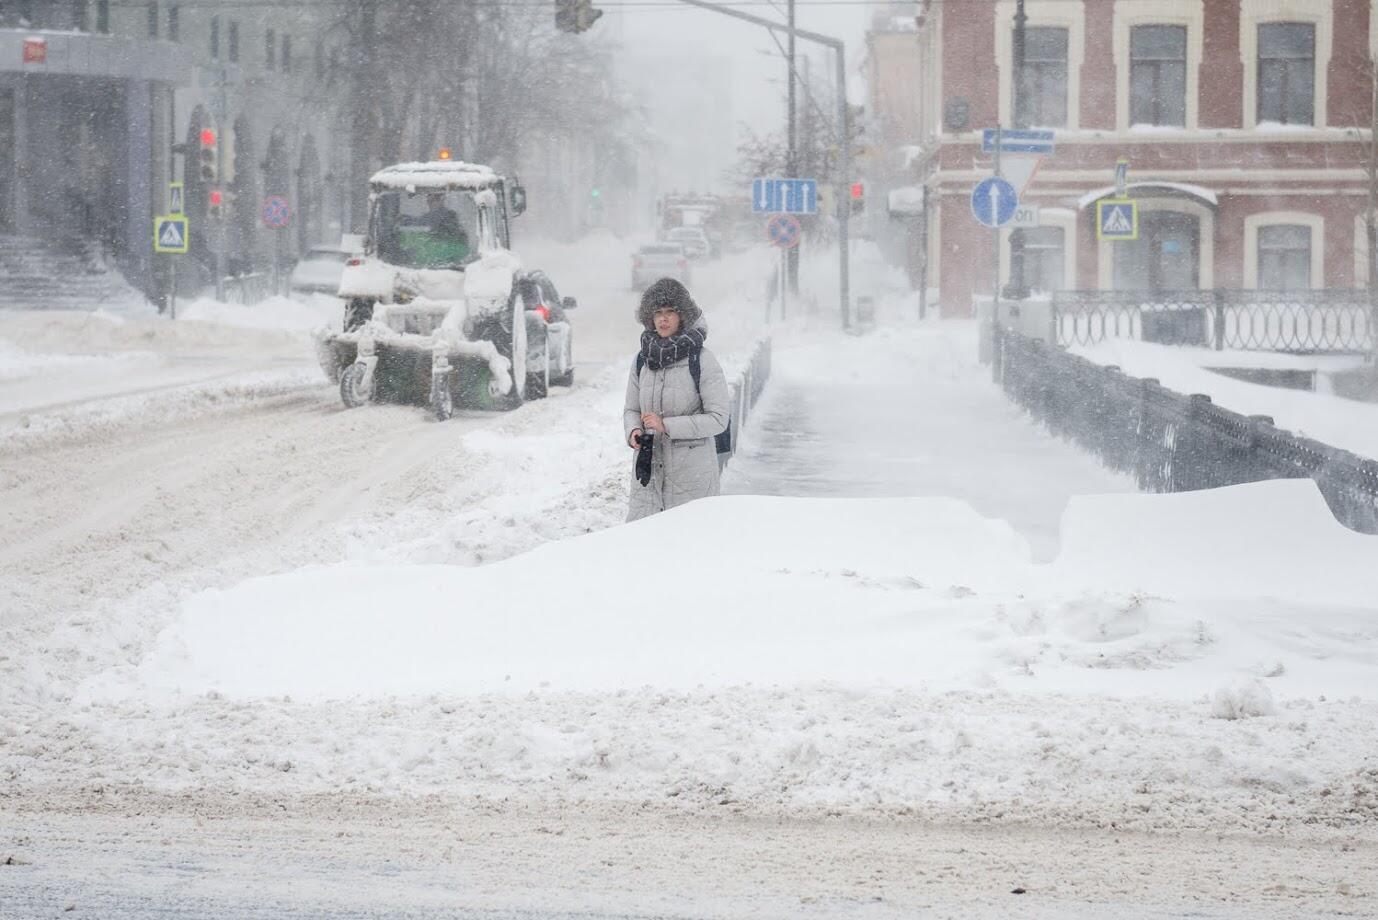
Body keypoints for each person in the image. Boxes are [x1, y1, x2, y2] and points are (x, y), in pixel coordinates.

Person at [624, 278, 730, 522]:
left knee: (688, 549)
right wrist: (633, 432)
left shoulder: (702, 359)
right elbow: (631, 409)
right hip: (648, 477)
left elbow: (718, 419)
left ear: (682, 316)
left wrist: (667, 426)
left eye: (670, 312)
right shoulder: (642, 360)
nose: (663, 319)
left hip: (691, 479)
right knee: (645, 548)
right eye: (657, 312)